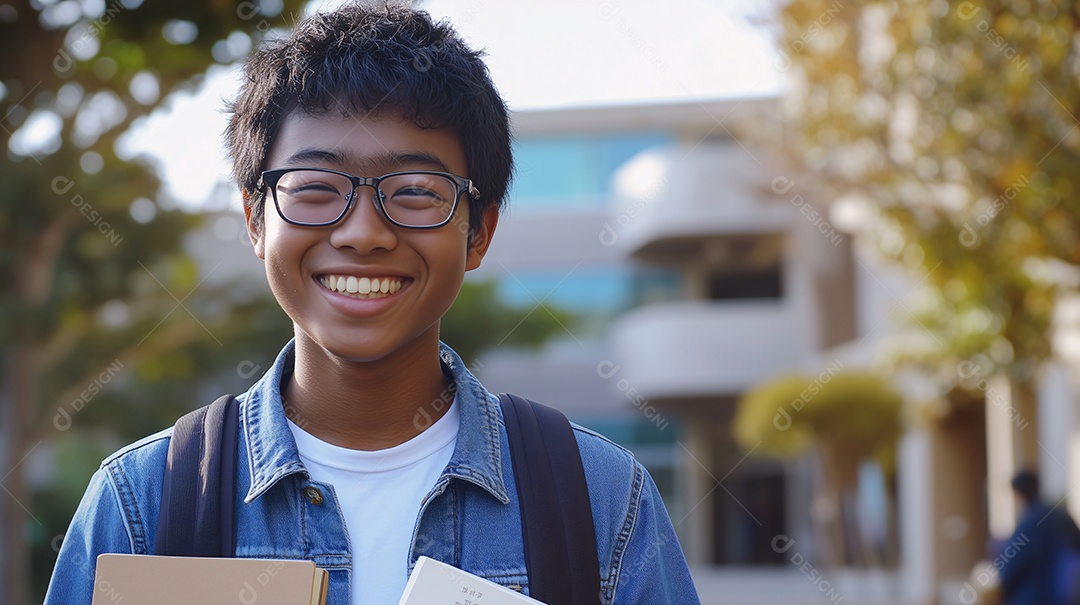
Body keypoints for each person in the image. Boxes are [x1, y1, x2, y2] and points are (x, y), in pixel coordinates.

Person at [43, 3, 700, 604]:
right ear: (254, 219)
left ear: (479, 231)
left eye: (415, 190)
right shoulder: (145, 499)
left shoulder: (598, 495)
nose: (363, 233)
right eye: (315, 187)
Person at [998, 470, 1080, 605]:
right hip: (1068, 594)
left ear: (1018, 494)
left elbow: (1011, 566)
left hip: (1036, 596)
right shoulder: (1061, 515)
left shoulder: (1029, 523)